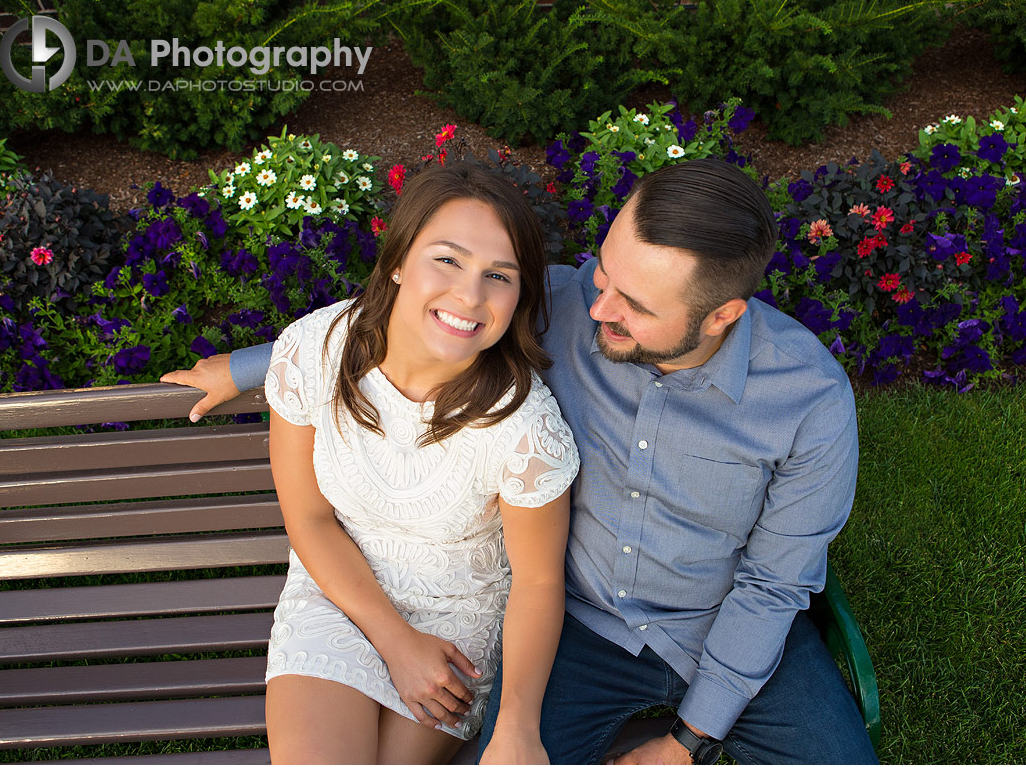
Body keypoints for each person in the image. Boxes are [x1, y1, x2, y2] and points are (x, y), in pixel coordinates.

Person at [165, 158, 877, 765]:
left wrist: (684, 742)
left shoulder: (808, 401)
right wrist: (254, 364)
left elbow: (772, 586)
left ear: (722, 315)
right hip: (585, 629)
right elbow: (417, 309)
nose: (599, 309)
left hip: (724, 622)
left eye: (633, 304)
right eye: (605, 273)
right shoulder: (565, 303)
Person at [167, 163, 579, 764]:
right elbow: (308, 520)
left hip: (455, 620)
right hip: (337, 590)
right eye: (447, 260)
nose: (470, 295)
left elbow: (539, 583)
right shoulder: (316, 352)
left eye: (499, 275)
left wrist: (516, 724)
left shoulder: (523, 428)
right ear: (398, 262)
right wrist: (396, 644)